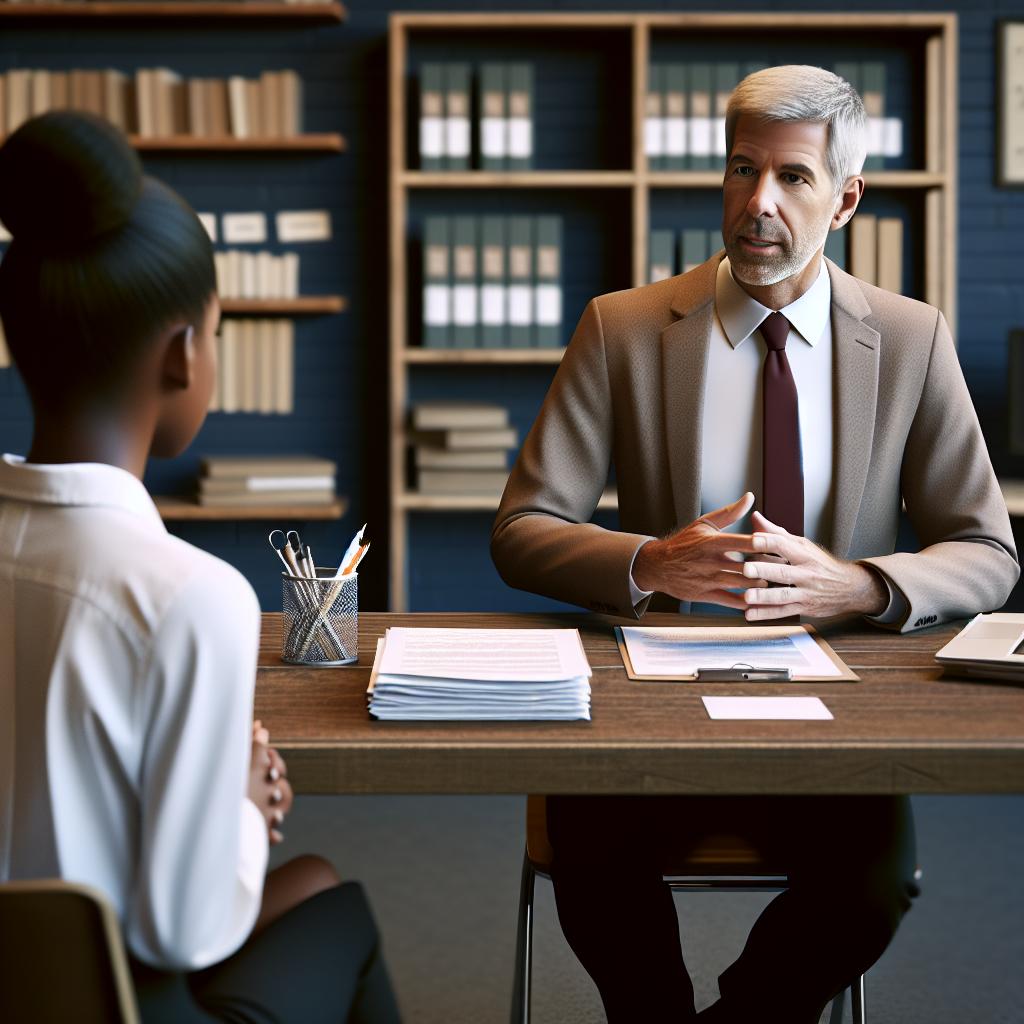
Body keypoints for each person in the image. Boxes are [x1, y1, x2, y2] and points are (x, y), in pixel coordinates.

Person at [491, 66, 1018, 1023]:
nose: (758, 203)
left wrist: (857, 585)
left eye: (793, 178)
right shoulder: (624, 328)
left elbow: (985, 548)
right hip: (649, 710)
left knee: (873, 887)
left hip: (831, 719)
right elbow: (524, 528)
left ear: (846, 197)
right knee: (594, 869)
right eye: (742, 170)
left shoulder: (909, 339)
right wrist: (648, 563)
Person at [0, 111, 401, 1024]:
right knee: (344, 920)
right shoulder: (190, 596)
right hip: (116, 1000)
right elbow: (182, 929)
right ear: (184, 355)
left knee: (316, 884)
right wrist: (240, 804)